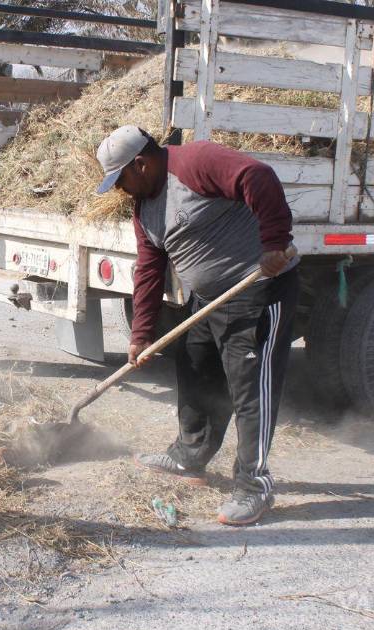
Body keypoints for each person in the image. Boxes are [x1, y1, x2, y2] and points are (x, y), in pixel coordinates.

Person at [96, 125, 299, 525]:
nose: (121, 189)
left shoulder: (195, 162)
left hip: (257, 290)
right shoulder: (144, 206)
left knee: (250, 391)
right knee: (193, 368)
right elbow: (150, 270)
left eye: (121, 179)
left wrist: (275, 243)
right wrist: (141, 335)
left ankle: (254, 485)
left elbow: (257, 176)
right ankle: (190, 456)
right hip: (207, 302)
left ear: (141, 163)